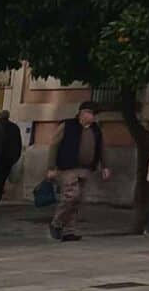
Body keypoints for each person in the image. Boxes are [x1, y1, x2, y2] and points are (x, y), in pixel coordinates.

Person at [46, 102, 110, 242]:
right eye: (92, 114)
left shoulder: (96, 130)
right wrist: (51, 168)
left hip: (86, 168)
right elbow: (54, 146)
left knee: (77, 200)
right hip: (68, 167)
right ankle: (56, 223)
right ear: (83, 113)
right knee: (71, 196)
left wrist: (105, 166)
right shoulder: (68, 125)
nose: (94, 117)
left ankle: (69, 231)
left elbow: (101, 148)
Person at [0, 109, 23, 209]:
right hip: (8, 159)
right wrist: (15, 157)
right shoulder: (14, 127)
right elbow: (18, 144)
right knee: (1, 179)